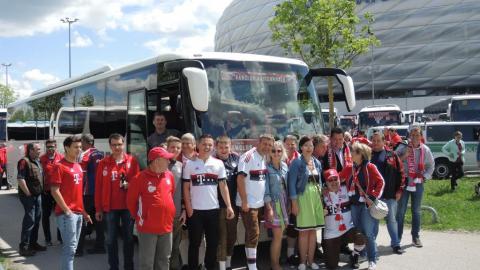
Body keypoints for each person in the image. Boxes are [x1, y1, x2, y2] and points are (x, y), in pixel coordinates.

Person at [183, 134, 235, 270]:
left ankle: (209, 267)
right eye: (204, 144)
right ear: (198, 145)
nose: (207, 147)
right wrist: (188, 208)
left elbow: (223, 186)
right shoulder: (189, 164)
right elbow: (186, 188)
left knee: (213, 243)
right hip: (195, 211)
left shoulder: (218, 164)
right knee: (194, 243)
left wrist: (229, 206)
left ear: (213, 147)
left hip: (213, 210)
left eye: (210, 145)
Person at [95, 133, 140, 270]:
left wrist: (130, 185)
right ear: (110, 146)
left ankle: (128, 267)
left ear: (123, 144)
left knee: (128, 239)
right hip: (110, 208)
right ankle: (113, 267)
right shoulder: (103, 163)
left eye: (119, 144)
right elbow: (98, 187)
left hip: (128, 207)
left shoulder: (132, 161)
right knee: (110, 240)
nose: (117, 147)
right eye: (114, 145)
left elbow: (138, 183)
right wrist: (98, 209)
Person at [127, 147, 177, 270]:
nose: (169, 162)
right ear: (156, 161)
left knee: (164, 260)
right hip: (147, 228)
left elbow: (171, 194)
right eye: (166, 159)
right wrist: (143, 217)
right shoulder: (138, 179)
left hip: (167, 227)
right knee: (147, 263)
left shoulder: (169, 176)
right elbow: (130, 203)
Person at [50, 135, 93, 270]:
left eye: (80, 147)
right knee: (69, 250)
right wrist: (67, 211)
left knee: (72, 250)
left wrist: (84, 212)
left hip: (78, 214)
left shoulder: (78, 166)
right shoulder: (59, 166)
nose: (79, 150)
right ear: (67, 148)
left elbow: (78, 194)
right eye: (75, 147)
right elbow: (54, 190)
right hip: (66, 215)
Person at [236, 134, 274, 270]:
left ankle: (250, 264)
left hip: (259, 203)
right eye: (265, 144)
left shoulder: (264, 157)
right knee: (254, 234)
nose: (267, 147)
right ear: (258, 142)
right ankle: (252, 267)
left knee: (252, 234)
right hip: (249, 204)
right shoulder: (248, 156)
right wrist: (245, 201)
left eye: (270, 145)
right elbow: (240, 179)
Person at [288, 136, 324, 270]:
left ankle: (311, 260)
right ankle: (302, 261)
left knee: (313, 231)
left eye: (311, 146)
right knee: (303, 232)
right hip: (302, 198)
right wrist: (294, 203)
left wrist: (321, 200)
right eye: (306, 145)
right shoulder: (296, 163)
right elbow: (291, 184)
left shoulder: (317, 162)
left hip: (315, 198)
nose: (309, 148)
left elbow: (320, 182)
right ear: (301, 147)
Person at [348, 142, 384, 270]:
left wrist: (373, 197)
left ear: (360, 154)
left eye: (353, 151)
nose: (350, 153)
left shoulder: (370, 167)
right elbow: (340, 177)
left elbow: (381, 182)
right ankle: (361, 254)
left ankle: (372, 260)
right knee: (359, 233)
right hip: (355, 205)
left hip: (366, 206)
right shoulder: (352, 167)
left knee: (368, 234)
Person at [397, 126, 434, 248]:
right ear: (409, 136)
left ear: (421, 136)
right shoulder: (403, 147)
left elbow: (431, 166)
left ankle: (415, 236)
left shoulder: (425, 150)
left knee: (416, 210)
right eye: (412, 135)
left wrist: (424, 177)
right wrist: (404, 156)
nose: (414, 137)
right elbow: (393, 161)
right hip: (405, 181)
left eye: (417, 135)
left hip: (418, 182)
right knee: (401, 211)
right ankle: (397, 237)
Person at [321, 169, 366, 270]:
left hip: (347, 230)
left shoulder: (346, 189)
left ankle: (354, 256)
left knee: (361, 238)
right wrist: (321, 214)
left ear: (339, 179)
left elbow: (352, 169)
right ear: (326, 183)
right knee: (331, 266)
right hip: (331, 234)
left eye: (335, 179)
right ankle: (336, 255)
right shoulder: (322, 194)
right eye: (330, 180)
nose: (333, 182)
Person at [370, 132, 405, 254]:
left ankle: (396, 244)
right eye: (373, 141)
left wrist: (400, 190)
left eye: (378, 141)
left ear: (384, 142)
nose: (375, 143)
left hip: (389, 195)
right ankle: (372, 246)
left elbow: (401, 173)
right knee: (374, 222)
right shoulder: (368, 155)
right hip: (374, 196)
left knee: (391, 220)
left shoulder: (392, 155)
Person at [76, 134, 105, 256]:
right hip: (97, 192)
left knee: (83, 219)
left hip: (87, 193)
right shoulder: (100, 153)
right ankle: (100, 246)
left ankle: (79, 250)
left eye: (81, 142)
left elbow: (81, 174)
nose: (80, 145)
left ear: (85, 142)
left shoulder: (86, 154)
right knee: (98, 220)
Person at [214, 135, 239, 270]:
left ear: (230, 147)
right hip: (217, 206)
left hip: (233, 205)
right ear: (216, 148)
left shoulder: (236, 159)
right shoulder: (212, 161)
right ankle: (222, 265)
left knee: (232, 235)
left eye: (226, 147)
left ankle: (229, 260)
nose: (223, 150)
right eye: (221, 147)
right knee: (221, 237)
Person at [17, 142, 45, 256]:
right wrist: (28, 193)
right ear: (30, 150)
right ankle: (24, 247)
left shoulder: (37, 161)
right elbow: (20, 179)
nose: (40, 151)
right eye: (37, 149)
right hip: (28, 196)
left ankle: (33, 243)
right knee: (30, 220)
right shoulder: (24, 161)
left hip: (37, 195)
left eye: (39, 149)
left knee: (37, 219)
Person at [264, 141, 289, 270]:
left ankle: (276, 263)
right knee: (277, 237)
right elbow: (266, 190)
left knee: (280, 236)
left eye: (279, 151)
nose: (276, 153)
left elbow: (287, 187)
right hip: (274, 204)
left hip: (284, 203)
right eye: (273, 151)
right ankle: (274, 264)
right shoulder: (266, 168)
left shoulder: (285, 166)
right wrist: (269, 209)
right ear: (269, 153)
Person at [165, 136, 186, 270]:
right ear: (167, 148)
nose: (176, 150)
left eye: (178, 148)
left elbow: (184, 191)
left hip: (177, 214)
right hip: (163, 215)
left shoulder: (181, 166)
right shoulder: (160, 164)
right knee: (164, 249)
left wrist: (184, 209)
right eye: (172, 147)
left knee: (175, 247)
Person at [39, 139, 64, 246]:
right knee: (46, 215)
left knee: (60, 215)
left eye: (52, 146)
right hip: (46, 192)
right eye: (48, 147)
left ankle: (60, 238)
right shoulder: (41, 159)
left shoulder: (61, 158)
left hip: (58, 192)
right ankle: (48, 239)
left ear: (55, 147)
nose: (50, 149)